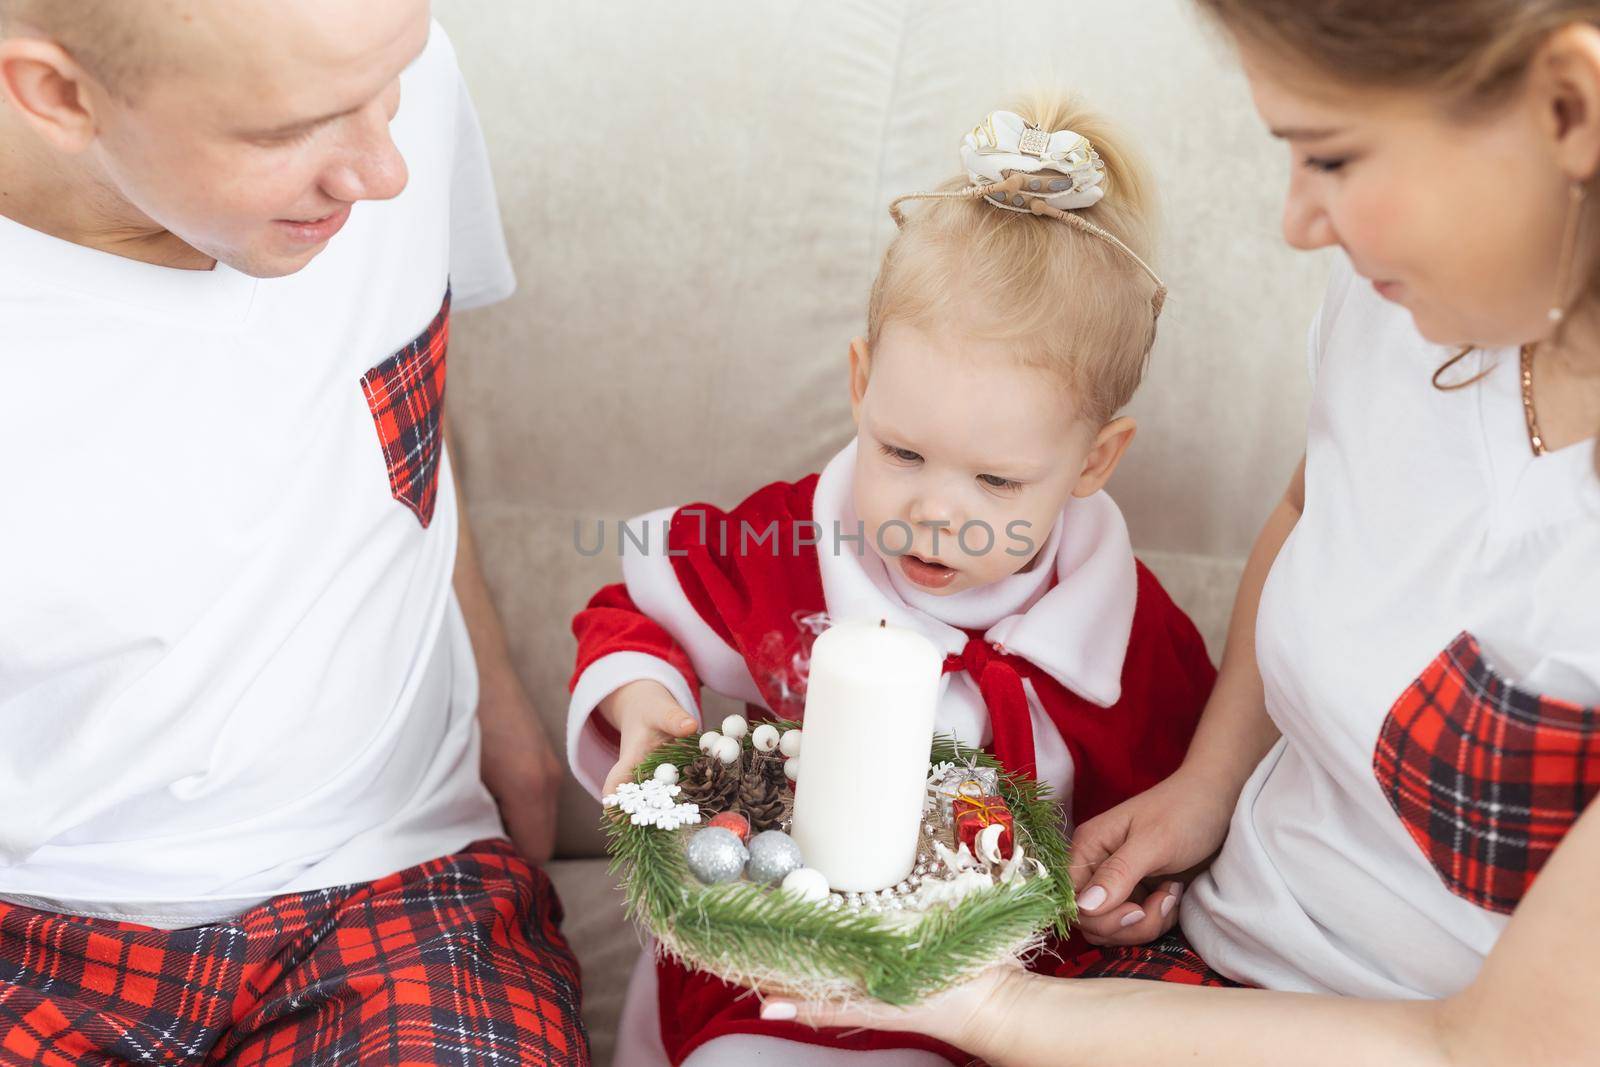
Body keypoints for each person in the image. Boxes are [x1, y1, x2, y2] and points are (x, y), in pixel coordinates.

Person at [759, 2, 1600, 1063]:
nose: (1300, 221)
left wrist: (995, 1011)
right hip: (1198, 960)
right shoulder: (1397, 306)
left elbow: (1492, 1046)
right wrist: (1205, 787)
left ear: (1569, 110)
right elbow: (1308, 514)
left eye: (1334, 155)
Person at [565, 95, 1218, 1066]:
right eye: (902, 451)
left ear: (1093, 460)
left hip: (1008, 981)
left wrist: (1121, 902)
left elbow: (1159, 830)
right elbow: (633, 612)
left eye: (995, 480)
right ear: (860, 384)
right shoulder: (794, 545)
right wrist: (645, 704)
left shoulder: (1136, 643)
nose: (932, 512)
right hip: (793, 963)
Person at [0, 1, 583, 1062]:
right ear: (59, 95)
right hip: (29, 924)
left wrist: (496, 691)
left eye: (391, 82)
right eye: (286, 132)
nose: (384, 168)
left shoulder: (383, 91)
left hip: (398, 893)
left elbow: (392, 390)